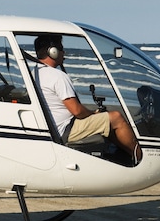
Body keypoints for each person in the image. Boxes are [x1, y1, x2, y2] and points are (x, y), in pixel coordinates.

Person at [34, 34, 142, 165]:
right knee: (115, 117)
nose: (64, 52)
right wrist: (93, 114)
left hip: (54, 126)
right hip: (65, 129)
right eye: (61, 49)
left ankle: (126, 155)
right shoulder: (57, 76)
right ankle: (141, 158)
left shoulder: (36, 73)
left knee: (104, 120)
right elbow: (77, 111)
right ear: (53, 52)